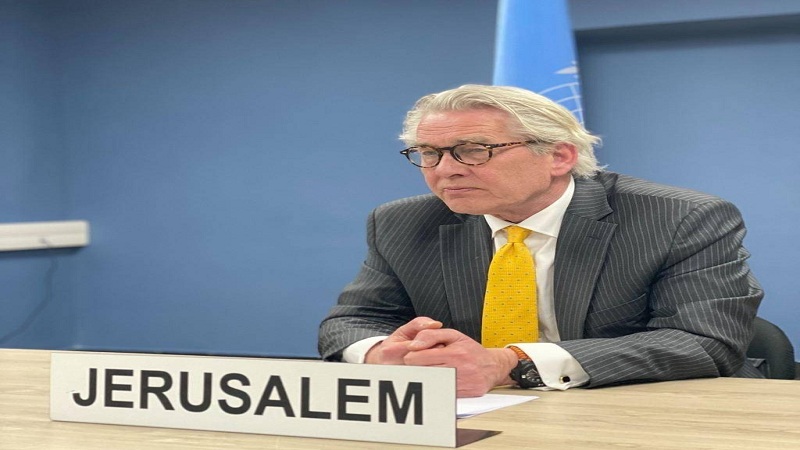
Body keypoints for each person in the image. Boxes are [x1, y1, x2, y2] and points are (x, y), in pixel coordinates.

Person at [318, 84, 763, 397]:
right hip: (482, 412)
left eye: (473, 150)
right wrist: (383, 354)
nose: (445, 170)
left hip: (651, 409)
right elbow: (350, 323)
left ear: (559, 156)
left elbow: (704, 342)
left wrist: (511, 363)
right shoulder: (402, 222)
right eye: (429, 153)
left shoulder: (680, 217)